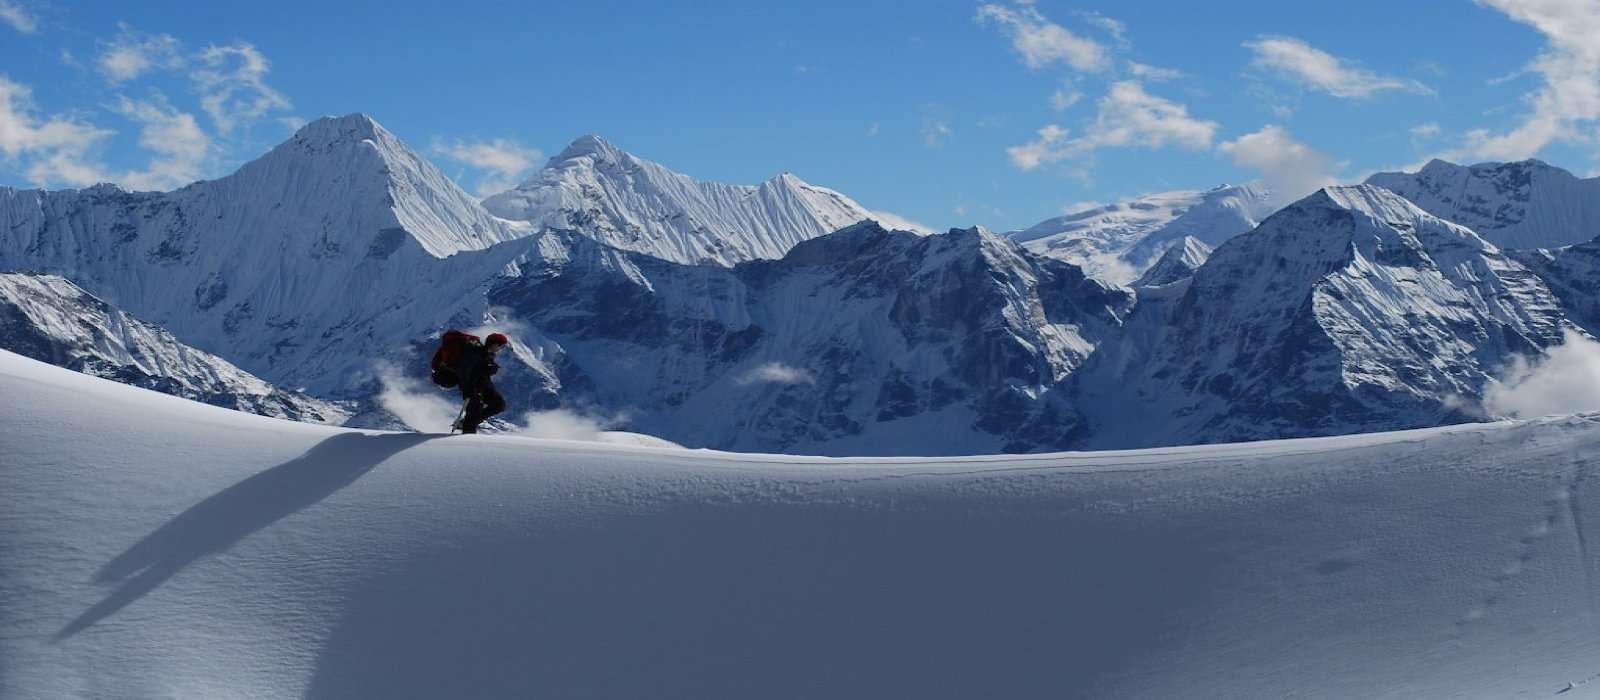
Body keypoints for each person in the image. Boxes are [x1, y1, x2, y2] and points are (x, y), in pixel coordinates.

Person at [453, 332, 508, 434]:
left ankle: (469, 424)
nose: (501, 348)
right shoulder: (475, 353)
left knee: (499, 404)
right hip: (472, 387)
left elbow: (482, 370)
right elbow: (464, 371)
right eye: (501, 345)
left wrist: (491, 368)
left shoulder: (488, 355)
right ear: (494, 344)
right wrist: (468, 388)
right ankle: (468, 437)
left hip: (484, 386)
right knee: (474, 410)